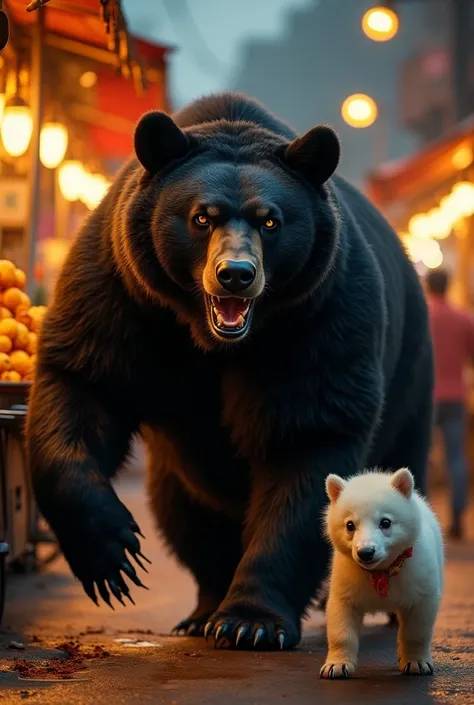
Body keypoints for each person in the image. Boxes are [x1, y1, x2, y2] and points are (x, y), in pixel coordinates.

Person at [427, 268, 474, 539]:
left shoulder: (422, 317)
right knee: (456, 458)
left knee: (422, 456)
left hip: (426, 399)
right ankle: (457, 519)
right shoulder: (463, 319)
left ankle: (422, 520)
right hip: (456, 396)